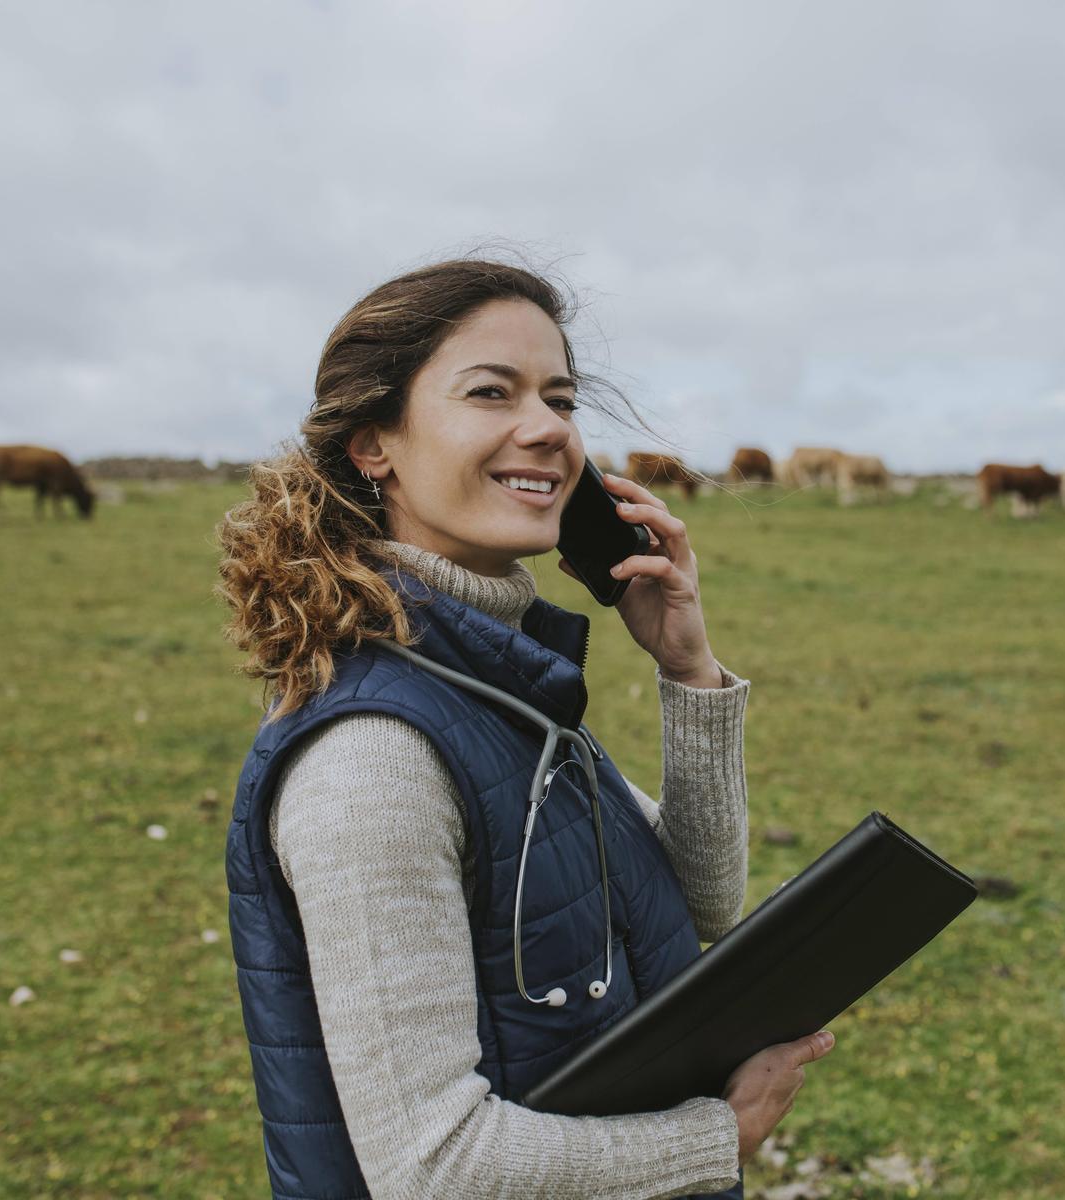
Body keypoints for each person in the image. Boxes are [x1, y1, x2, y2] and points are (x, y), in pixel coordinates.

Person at [215, 259, 835, 1200]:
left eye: (560, 397)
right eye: (489, 393)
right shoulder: (374, 757)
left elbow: (695, 906)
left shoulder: (495, 681)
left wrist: (689, 673)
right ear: (373, 441)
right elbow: (431, 1168)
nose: (547, 429)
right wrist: (715, 1142)